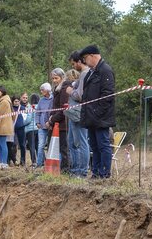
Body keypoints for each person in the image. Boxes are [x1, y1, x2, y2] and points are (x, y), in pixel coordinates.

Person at [79, 45, 116, 179]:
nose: (84, 61)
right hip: (90, 117)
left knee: (103, 145)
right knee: (94, 146)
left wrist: (97, 112)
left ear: (93, 56)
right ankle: (96, 172)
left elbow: (108, 95)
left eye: (85, 58)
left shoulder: (105, 71)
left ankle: (105, 173)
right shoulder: (91, 72)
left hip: (101, 117)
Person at [66, 53, 90, 177]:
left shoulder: (85, 74)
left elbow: (80, 96)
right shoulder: (82, 75)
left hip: (79, 113)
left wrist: (71, 91)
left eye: (74, 64)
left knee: (81, 142)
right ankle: (75, 170)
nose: (74, 67)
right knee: (72, 142)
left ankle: (82, 171)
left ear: (79, 61)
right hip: (73, 113)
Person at [49, 68, 72, 173]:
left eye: (56, 78)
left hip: (64, 124)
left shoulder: (64, 89)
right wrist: (51, 116)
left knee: (64, 148)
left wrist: (52, 119)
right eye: (53, 78)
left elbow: (63, 109)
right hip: (57, 123)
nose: (54, 80)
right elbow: (55, 107)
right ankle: (61, 168)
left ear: (62, 78)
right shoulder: (56, 90)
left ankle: (66, 169)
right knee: (60, 148)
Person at [0, 86, 13, 169]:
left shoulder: (4, 101)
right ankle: (1, 161)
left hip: (3, 125)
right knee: (0, 145)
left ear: (3, 92)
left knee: (2, 144)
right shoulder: (2, 101)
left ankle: (4, 162)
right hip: (1, 124)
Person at [35, 83, 54, 168]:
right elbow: (37, 112)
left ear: (47, 90)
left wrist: (50, 123)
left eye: (42, 90)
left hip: (51, 126)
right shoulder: (41, 100)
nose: (41, 91)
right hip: (42, 127)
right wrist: (37, 122)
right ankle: (39, 163)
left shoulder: (53, 99)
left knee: (50, 145)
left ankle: (50, 164)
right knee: (41, 145)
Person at [12, 96, 27, 166]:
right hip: (13, 129)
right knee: (14, 144)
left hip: (21, 128)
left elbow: (26, 117)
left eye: (18, 101)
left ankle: (23, 160)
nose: (17, 102)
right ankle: (14, 159)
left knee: (22, 145)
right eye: (15, 101)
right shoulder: (11, 108)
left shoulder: (22, 108)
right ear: (13, 102)